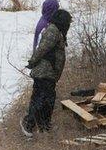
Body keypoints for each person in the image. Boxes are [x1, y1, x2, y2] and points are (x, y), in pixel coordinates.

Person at [21, 8, 72, 137]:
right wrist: (32, 61)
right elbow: (42, 48)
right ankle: (29, 125)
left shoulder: (56, 31)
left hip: (48, 74)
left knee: (46, 99)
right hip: (44, 73)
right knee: (42, 99)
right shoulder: (53, 31)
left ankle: (43, 126)